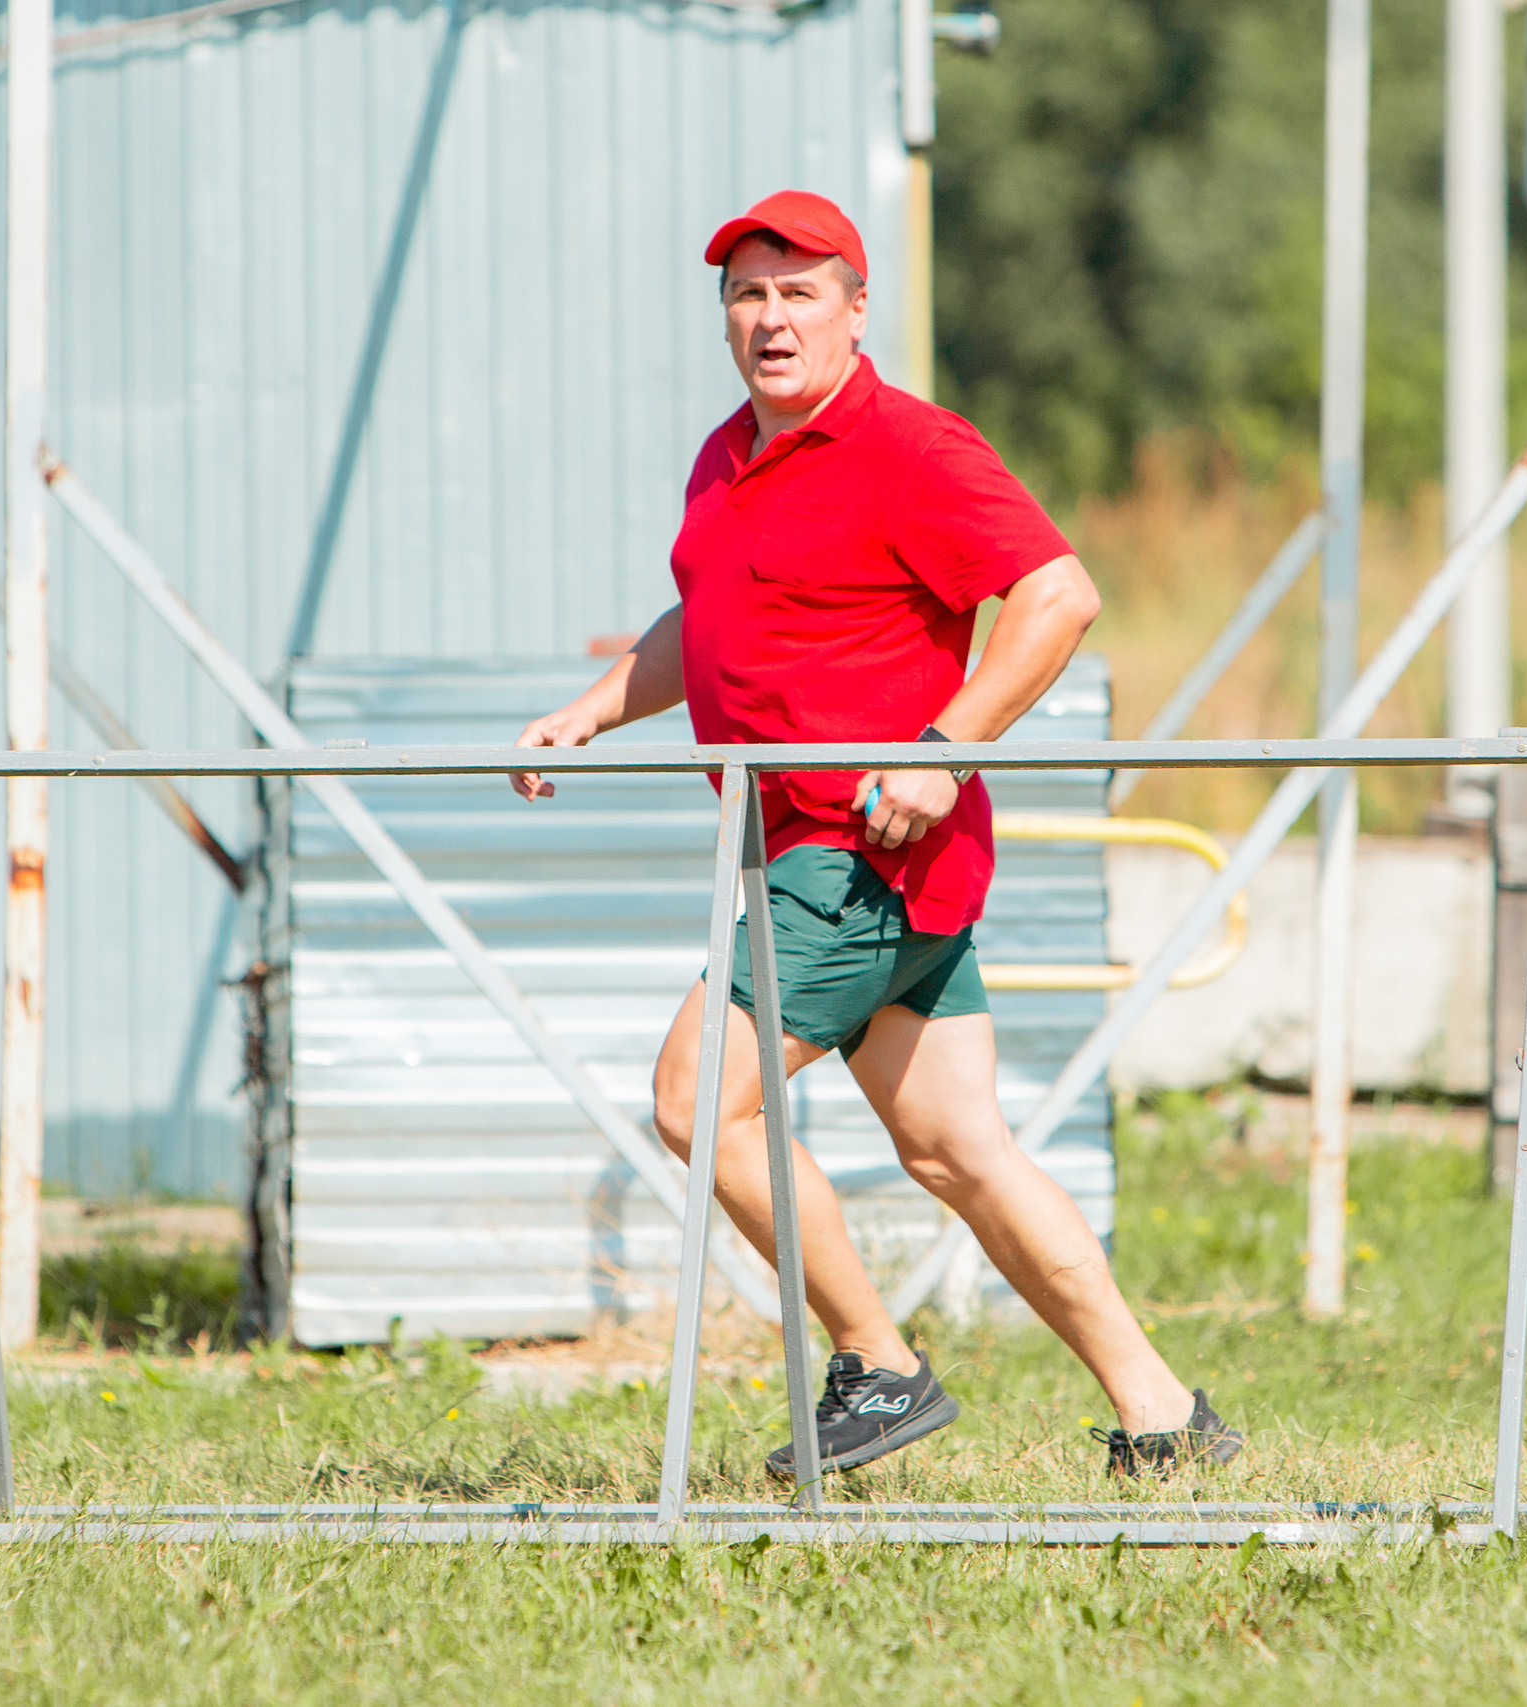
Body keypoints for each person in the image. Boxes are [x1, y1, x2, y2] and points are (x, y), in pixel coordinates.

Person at [510, 190, 1242, 1484]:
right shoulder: (727, 453)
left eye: (800, 291)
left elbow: (1057, 595)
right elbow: (715, 621)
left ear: (857, 308)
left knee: (696, 1100)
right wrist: (592, 710)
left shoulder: (911, 447)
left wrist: (943, 751)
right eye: (747, 292)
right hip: (859, 866)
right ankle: (1163, 1412)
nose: (770, 317)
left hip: (854, 858)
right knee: (960, 1151)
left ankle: (879, 1363)